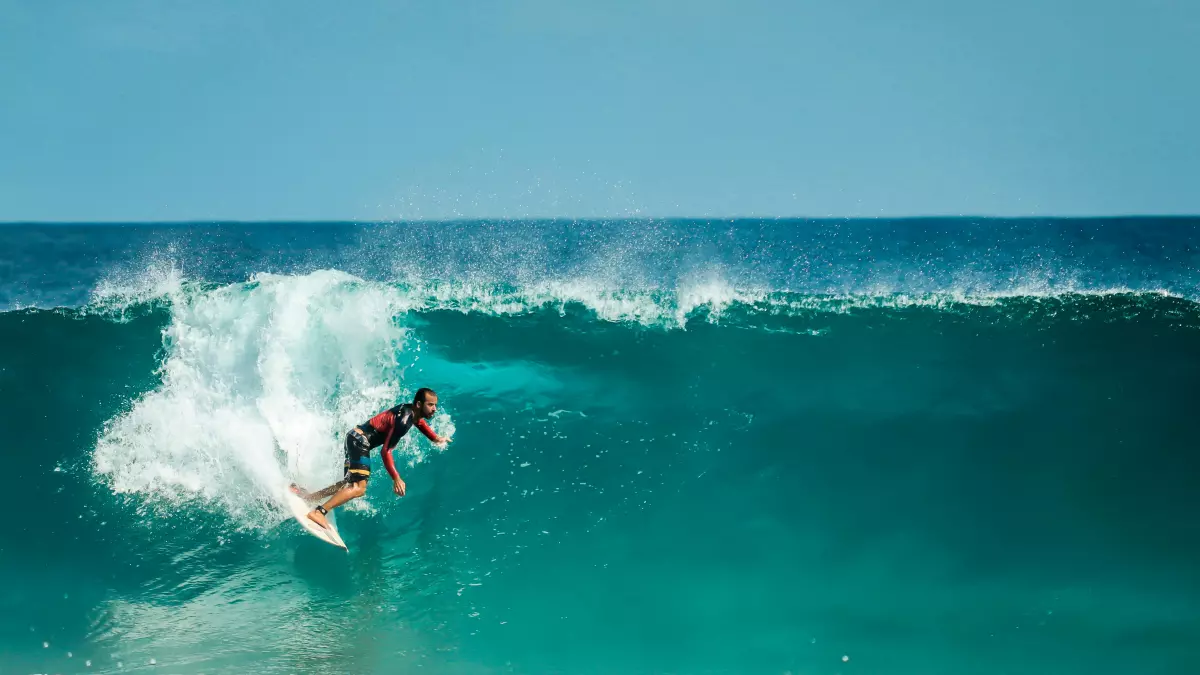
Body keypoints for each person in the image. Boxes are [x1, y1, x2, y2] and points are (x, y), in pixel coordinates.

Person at [291, 387, 450, 530]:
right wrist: (396, 478)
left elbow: (419, 422)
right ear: (418, 404)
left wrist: (435, 438)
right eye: (430, 405)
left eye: (435, 405)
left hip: (354, 437)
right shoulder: (403, 421)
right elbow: (385, 451)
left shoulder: (410, 412)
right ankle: (319, 512)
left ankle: (309, 497)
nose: (434, 409)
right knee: (359, 488)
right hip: (360, 442)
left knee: (349, 484)